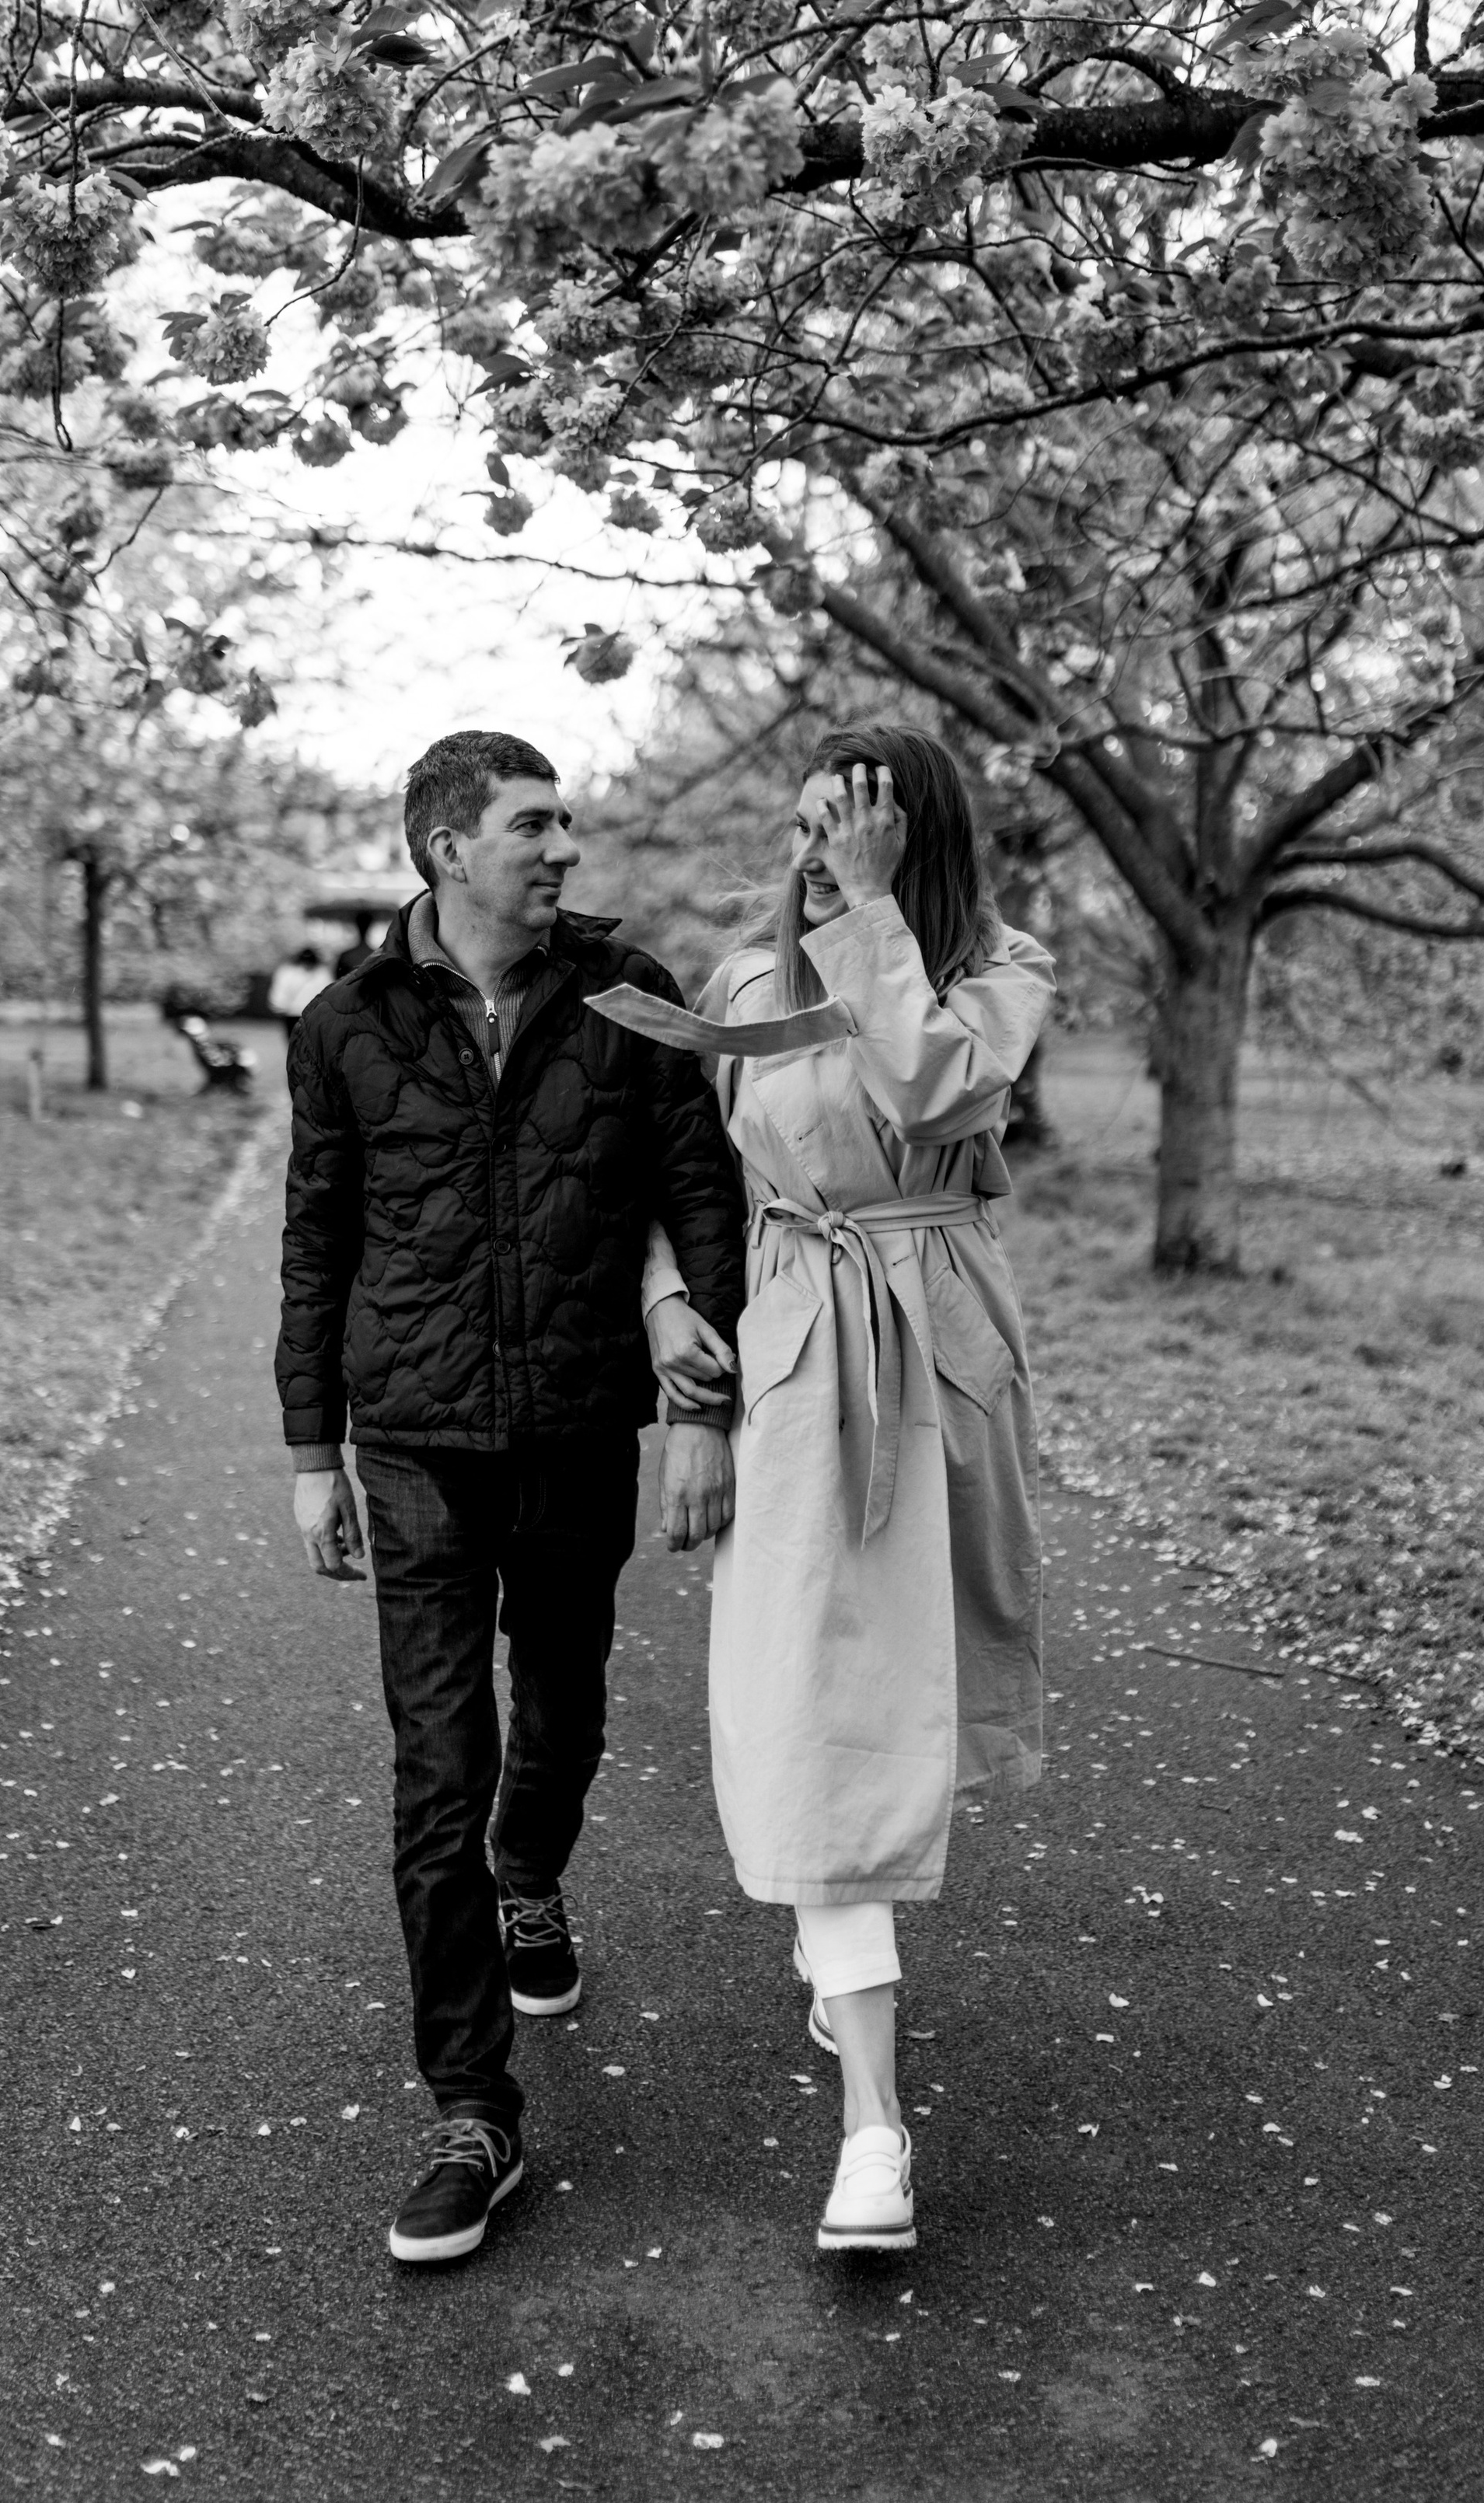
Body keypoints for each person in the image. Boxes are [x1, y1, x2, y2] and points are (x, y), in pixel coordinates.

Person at [275, 731, 743, 2267]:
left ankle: (530, 1869)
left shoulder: (632, 989)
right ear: (445, 845)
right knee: (434, 1766)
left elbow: (697, 1188)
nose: (562, 850)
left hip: (569, 1422)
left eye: (566, 823)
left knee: (562, 1707)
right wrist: (304, 1453)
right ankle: (472, 2109)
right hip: (408, 1436)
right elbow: (317, 1235)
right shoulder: (345, 1023)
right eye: (533, 825)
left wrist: (700, 1385)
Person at [636, 724, 1055, 2254]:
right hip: (800, 1349)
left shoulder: (999, 962)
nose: (824, 847)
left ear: (911, 827)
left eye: (858, 824)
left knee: (907, 1704)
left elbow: (939, 1090)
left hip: (935, 1347)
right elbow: (688, 1176)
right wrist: (665, 1311)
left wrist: (873, 917)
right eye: (814, 822)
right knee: (822, 1716)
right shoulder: (746, 982)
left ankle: (847, 1951)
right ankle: (873, 2125)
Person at [267, 944, 330, 1038]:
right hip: (310, 1014)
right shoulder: (323, 973)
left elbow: (280, 992)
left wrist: (279, 1005)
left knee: (295, 1042)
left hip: (295, 1013)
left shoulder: (288, 971)